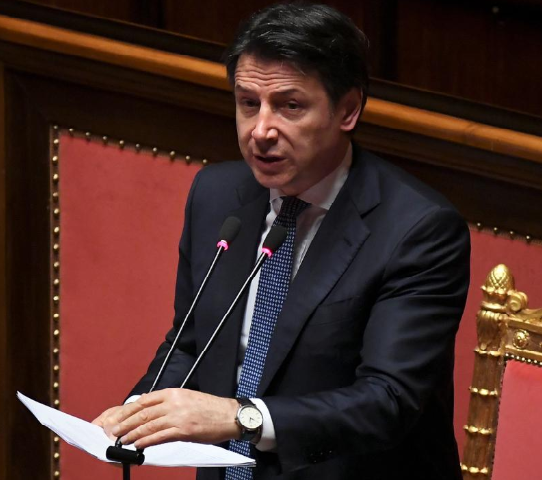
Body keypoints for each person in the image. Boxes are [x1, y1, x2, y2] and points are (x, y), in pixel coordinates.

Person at [92, 3, 470, 480]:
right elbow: (192, 343)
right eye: (248, 103)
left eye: (290, 106)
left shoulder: (418, 230)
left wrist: (239, 417)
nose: (261, 131)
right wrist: (136, 413)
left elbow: (387, 401)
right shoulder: (216, 196)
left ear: (348, 109)